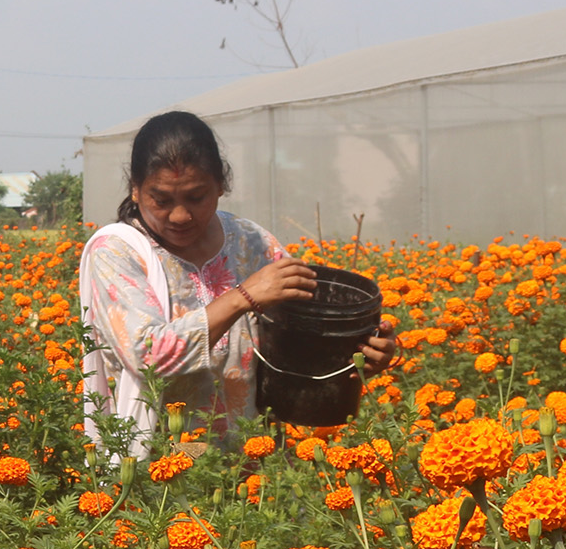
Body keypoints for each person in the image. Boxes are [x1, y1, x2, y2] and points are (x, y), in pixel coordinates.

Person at [80, 110, 393, 456]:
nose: (180, 215)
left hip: (254, 460)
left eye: (196, 197)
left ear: (222, 184)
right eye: (162, 199)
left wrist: (362, 352)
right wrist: (241, 297)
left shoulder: (250, 242)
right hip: (165, 466)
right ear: (135, 191)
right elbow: (149, 357)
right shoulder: (117, 252)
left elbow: (305, 334)